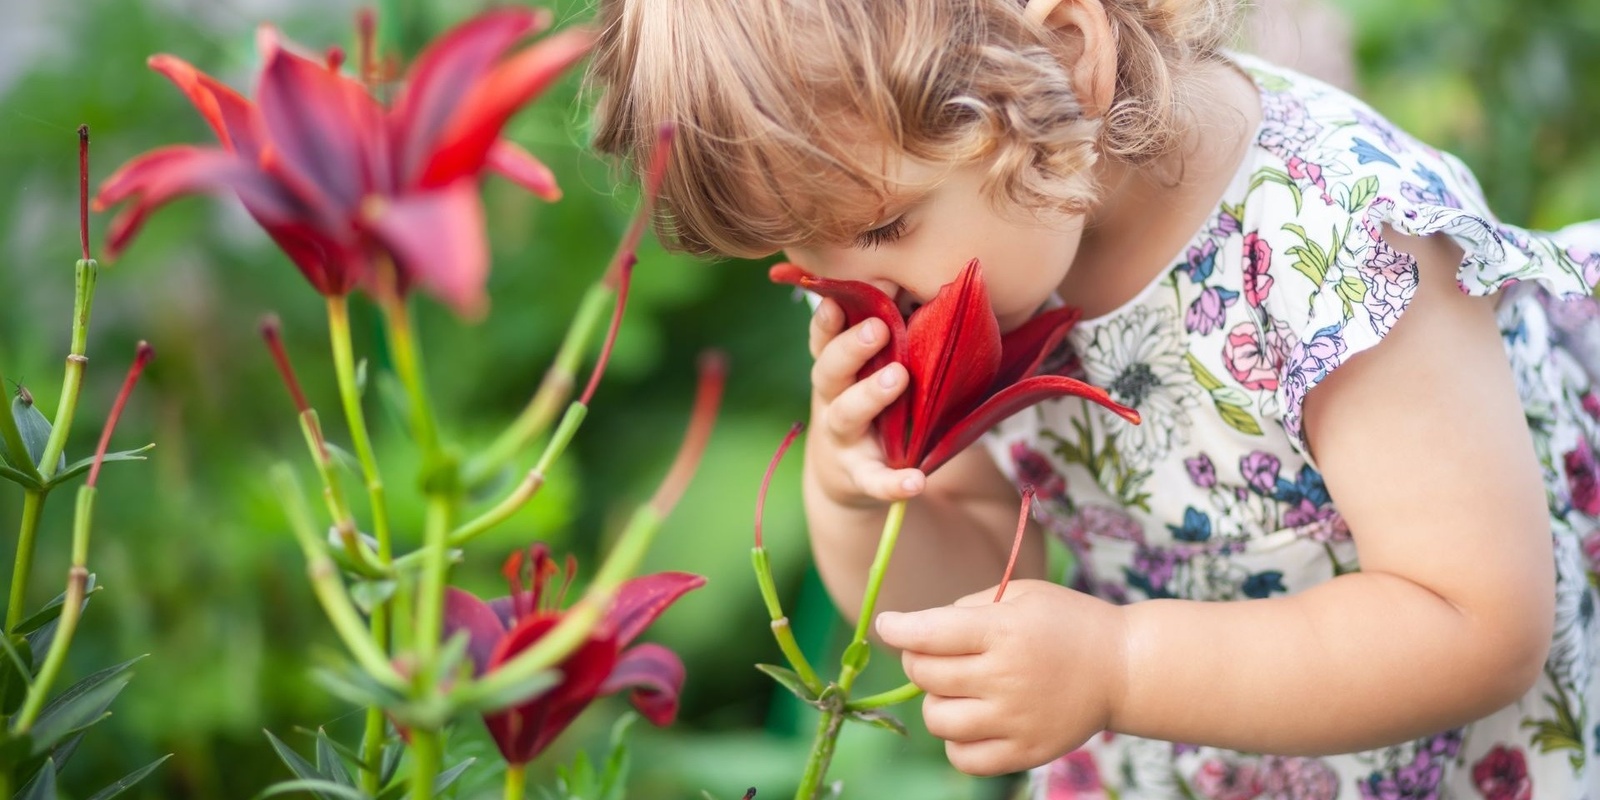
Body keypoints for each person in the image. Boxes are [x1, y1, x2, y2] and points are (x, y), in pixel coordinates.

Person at [586, 0, 1600, 796]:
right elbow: (978, 584)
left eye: (883, 225)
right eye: (802, 254)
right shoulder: (1013, 240)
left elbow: (1474, 619)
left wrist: (1118, 664)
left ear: (1065, 62)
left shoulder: (1329, 247)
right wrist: (859, 496)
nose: (862, 293)